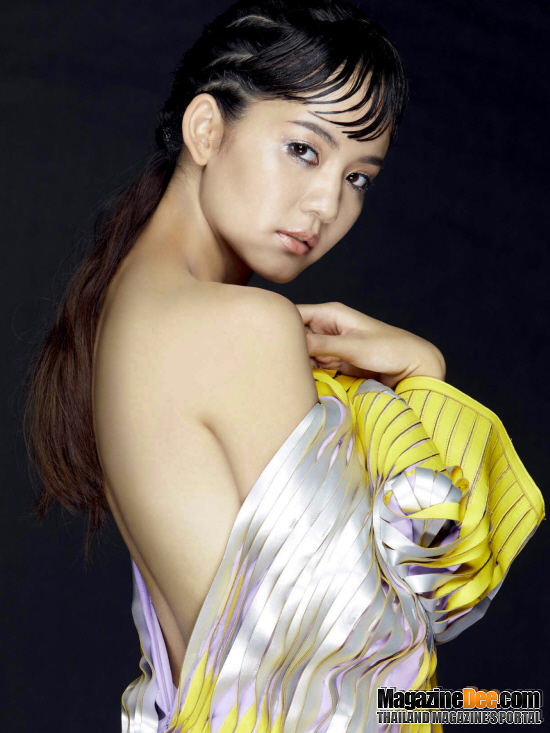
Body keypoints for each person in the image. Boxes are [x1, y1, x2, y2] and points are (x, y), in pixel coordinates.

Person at [22, 1, 544, 731]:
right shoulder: (244, 328)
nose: (327, 203)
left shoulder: (125, 311)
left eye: (359, 178)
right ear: (207, 130)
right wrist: (507, 709)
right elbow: (369, 677)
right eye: (303, 149)